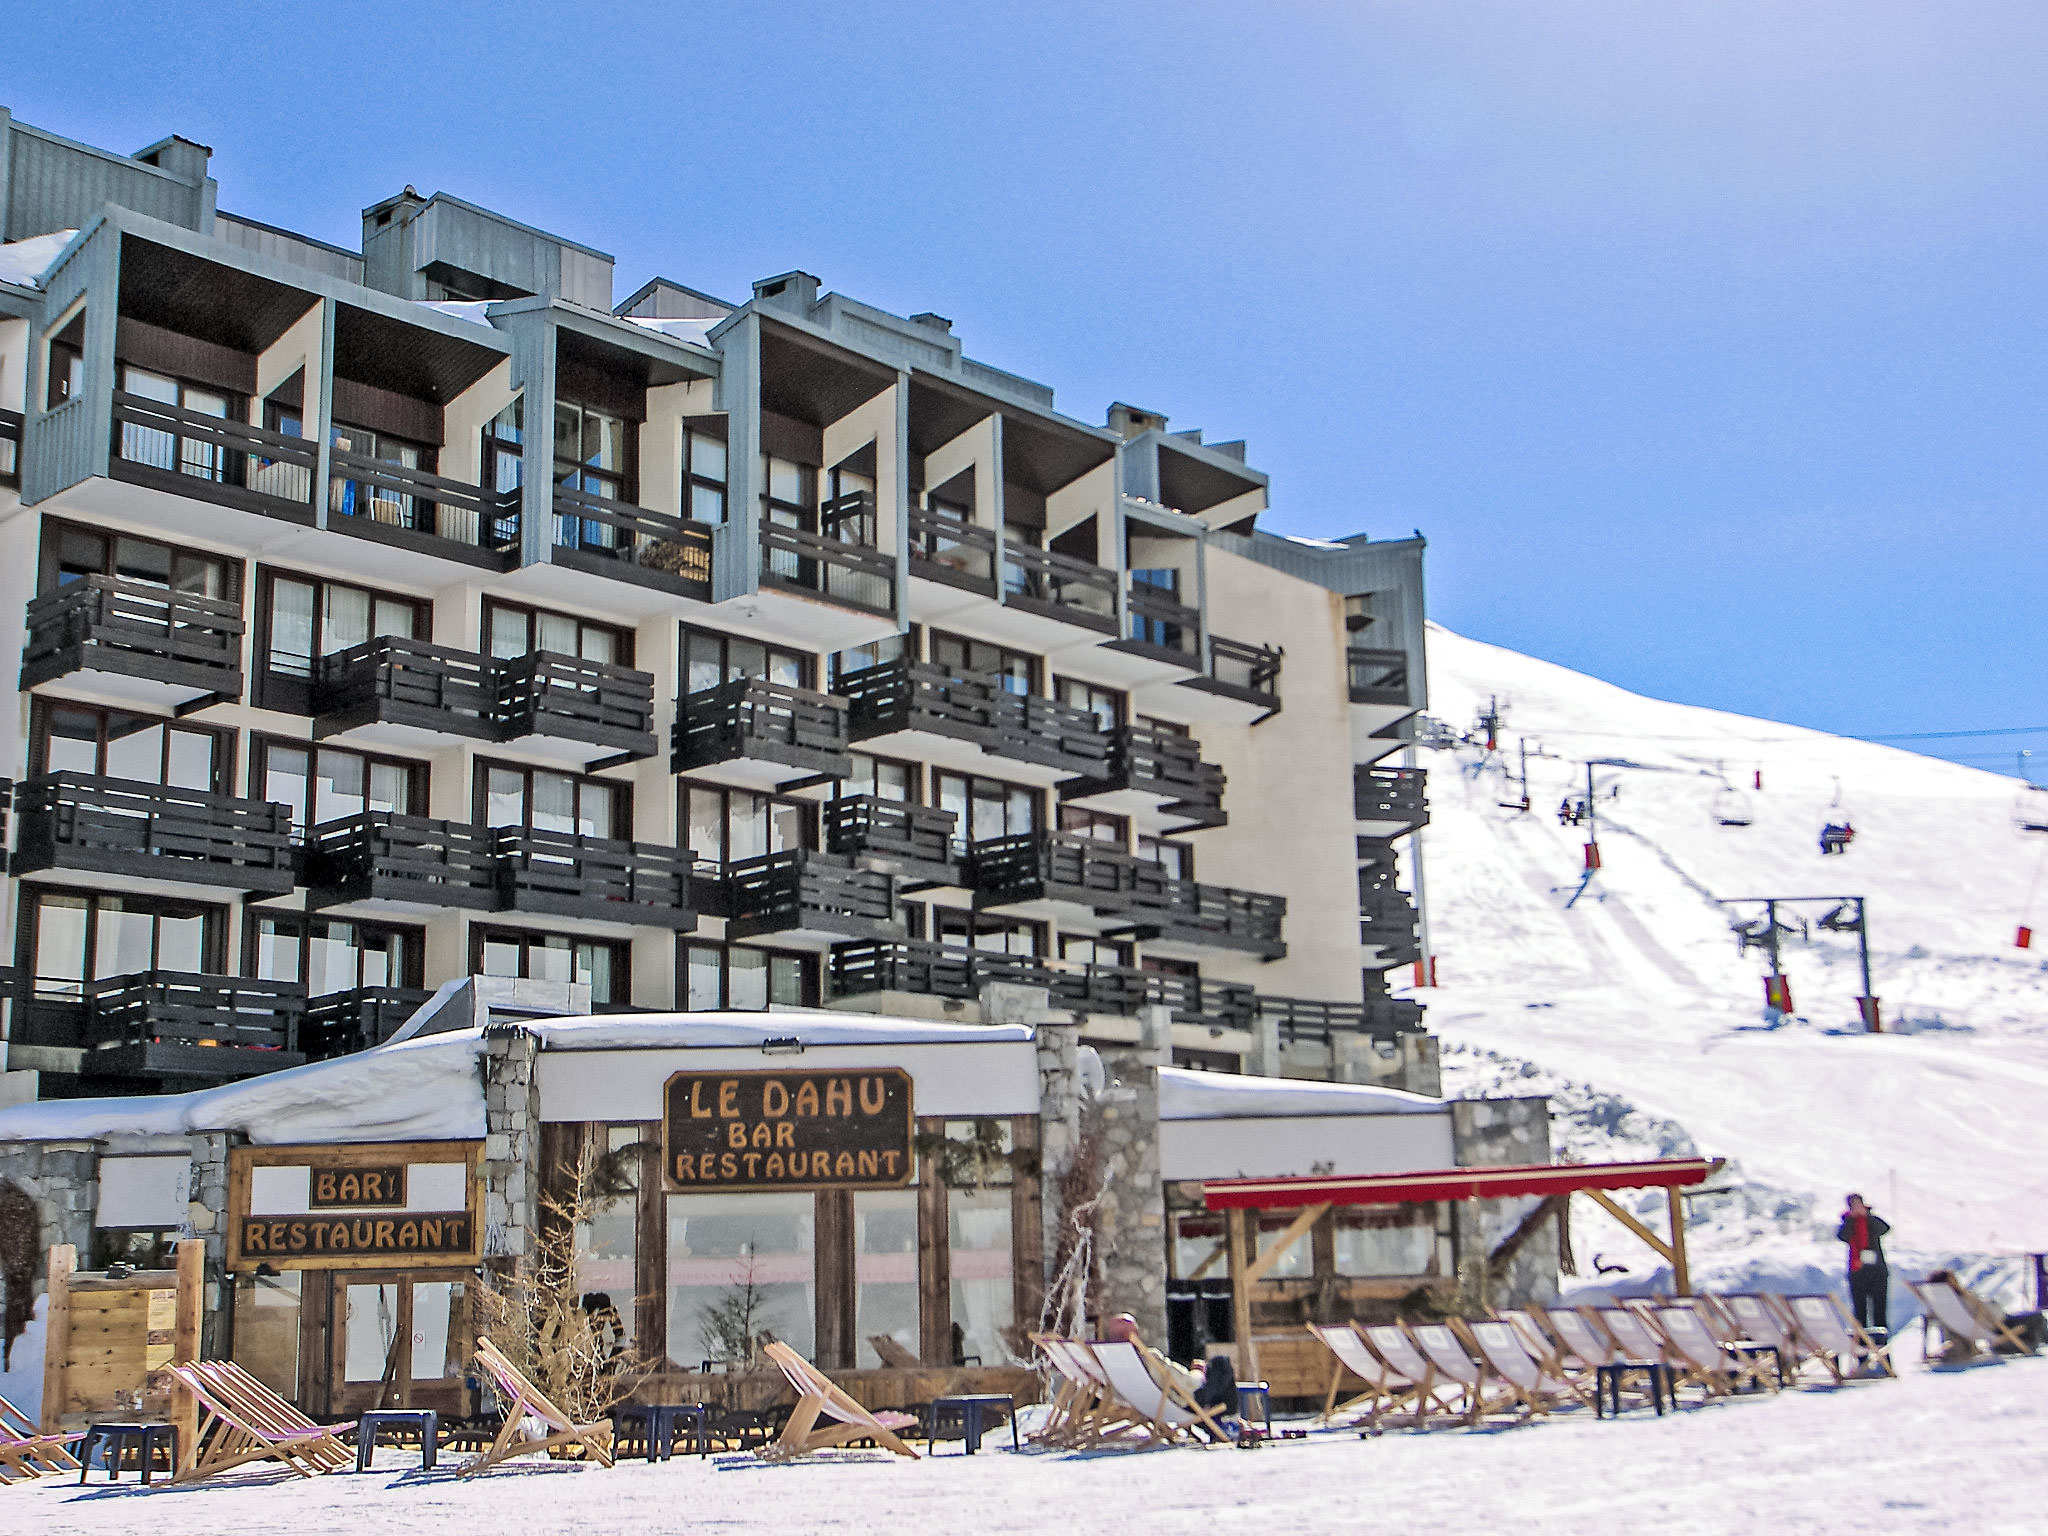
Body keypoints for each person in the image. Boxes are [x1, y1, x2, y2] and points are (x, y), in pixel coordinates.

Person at [1836, 1194, 1890, 1338]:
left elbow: (1885, 1228)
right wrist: (1852, 1220)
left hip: (1877, 1272)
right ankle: (1861, 1349)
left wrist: (1867, 1217)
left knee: (1879, 1312)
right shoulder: (1848, 1222)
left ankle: (1882, 1347)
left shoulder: (1872, 1220)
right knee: (1860, 1312)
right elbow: (1842, 1235)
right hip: (1858, 1272)